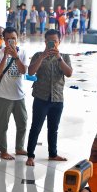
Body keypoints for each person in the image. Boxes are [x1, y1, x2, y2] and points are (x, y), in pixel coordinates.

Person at [26, 29, 72, 166]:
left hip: (57, 98)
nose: (52, 44)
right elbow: (30, 72)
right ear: (45, 42)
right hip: (41, 97)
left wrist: (59, 58)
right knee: (36, 127)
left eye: (55, 41)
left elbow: (69, 73)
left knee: (53, 128)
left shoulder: (64, 56)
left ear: (59, 42)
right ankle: (30, 155)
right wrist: (42, 57)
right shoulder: (38, 55)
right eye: (49, 41)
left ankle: (53, 154)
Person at [0, 26, 27, 161]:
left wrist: (16, 57)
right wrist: (6, 56)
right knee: (3, 125)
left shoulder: (22, 52)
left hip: (19, 95)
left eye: (13, 39)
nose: (11, 41)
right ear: (4, 40)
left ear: (17, 39)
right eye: (8, 39)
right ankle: (3, 151)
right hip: (3, 95)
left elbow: (23, 71)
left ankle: (19, 147)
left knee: (22, 122)